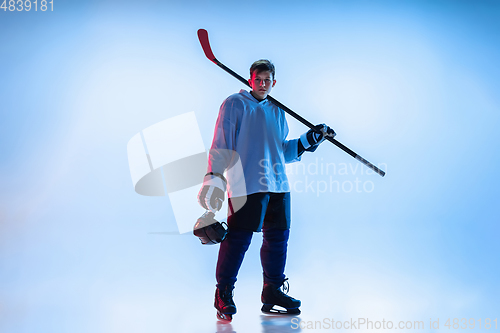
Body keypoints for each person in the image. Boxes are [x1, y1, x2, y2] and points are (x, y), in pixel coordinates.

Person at [198, 59, 335, 321]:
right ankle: (223, 292)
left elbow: (281, 150)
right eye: (258, 79)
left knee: (278, 240)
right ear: (250, 80)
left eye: (267, 80)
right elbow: (221, 145)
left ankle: (272, 291)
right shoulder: (234, 105)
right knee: (238, 240)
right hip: (246, 183)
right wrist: (213, 178)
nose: (262, 84)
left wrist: (310, 139)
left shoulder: (277, 110)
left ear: (274, 82)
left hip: (278, 184)